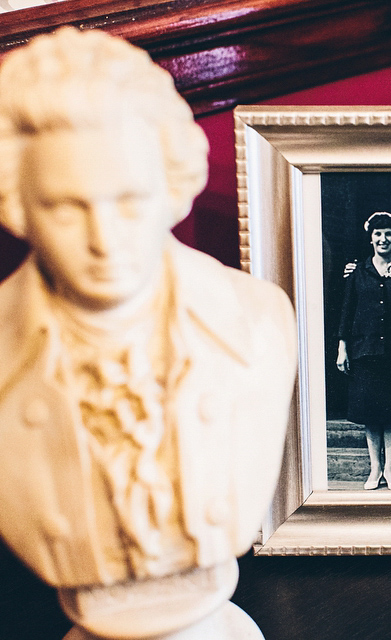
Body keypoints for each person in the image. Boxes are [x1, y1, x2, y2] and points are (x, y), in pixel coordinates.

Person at [0, 27, 298, 590]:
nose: (104, 240)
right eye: (66, 209)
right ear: (19, 208)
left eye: (130, 201)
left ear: (172, 187)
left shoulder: (259, 324)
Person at [337, 212, 391, 490]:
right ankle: (375, 469)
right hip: (364, 350)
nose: (383, 239)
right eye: (378, 234)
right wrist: (342, 347)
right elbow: (347, 310)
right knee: (370, 413)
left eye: (389, 234)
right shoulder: (358, 271)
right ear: (370, 238)